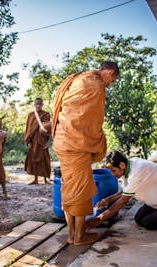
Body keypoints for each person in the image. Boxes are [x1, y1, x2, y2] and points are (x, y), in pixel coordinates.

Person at [52, 61, 119, 246]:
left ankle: (72, 235)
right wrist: (98, 142)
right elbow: (92, 120)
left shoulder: (78, 78)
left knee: (69, 189)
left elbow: (73, 112)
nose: (109, 84)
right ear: (110, 72)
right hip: (76, 144)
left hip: (62, 140)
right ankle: (79, 237)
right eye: (112, 80)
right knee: (81, 191)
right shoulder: (96, 85)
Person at [85, 151, 157, 230]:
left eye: (113, 170)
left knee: (147, 223)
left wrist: (100, 218)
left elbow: (124, 200)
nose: (112, 174)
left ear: (122, 165)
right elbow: (125, 191)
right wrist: (106, 200)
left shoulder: (138, 170)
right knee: (138, 219)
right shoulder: (130, 165)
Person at [24, 98, 52, 185]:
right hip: (33, 141)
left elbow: (48, 129)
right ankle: (35, 179)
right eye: (37, 104)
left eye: (40, 104)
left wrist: (48, 142)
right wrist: (28, 141)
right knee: (33, 159)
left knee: (44, 159)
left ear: (42, 104)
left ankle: (45, 179)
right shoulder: (31, 115)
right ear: (34, 105)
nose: (38, 106)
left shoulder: (46, 114)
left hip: (42, 141)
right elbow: (28, 128)